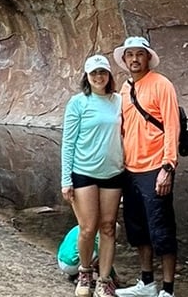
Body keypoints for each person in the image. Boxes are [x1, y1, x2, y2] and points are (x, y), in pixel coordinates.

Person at [113, 36, 181, 297]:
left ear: (148, 58)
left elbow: (172, 127)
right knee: (138, 229)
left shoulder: (162, 85)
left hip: (156, 168)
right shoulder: (125, 89)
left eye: (139, 54)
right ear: (125, 59)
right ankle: (147, 283)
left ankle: (168, 290)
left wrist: (168, 167)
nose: (134, 59)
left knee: (162, 229)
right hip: (130, 170)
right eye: (130, 55)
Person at [62, 55, 126, 297]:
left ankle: (104, 280)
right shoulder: (78, 103)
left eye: (103, 72)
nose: (99, 77)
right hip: (84, 172)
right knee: (88, 228)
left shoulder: (119, 101)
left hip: (113, 173)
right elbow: (68, 143)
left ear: (109, 75)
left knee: (108, 227)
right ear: (87, 77)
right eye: (94, 73)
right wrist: (65, 180)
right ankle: (85, 272)